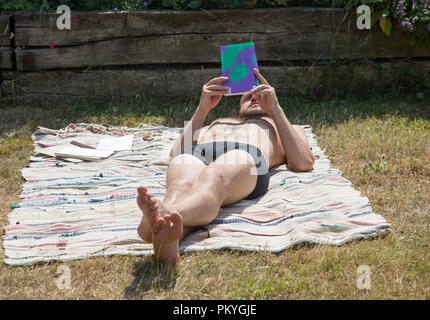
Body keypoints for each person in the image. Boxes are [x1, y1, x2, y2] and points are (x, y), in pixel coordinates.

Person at [136, 68, 314, 264]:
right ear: (239, 99)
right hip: (200, 152)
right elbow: (177, 152)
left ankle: (159, 216)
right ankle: (167, 237)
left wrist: (275, 110)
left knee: (214, 177)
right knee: (180, 186)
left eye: (260, 92)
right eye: (249, 93)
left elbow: (303, 163)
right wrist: (202, 109)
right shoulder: (217, 122)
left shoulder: (282, 125)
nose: (254, 96)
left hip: (246, 155)